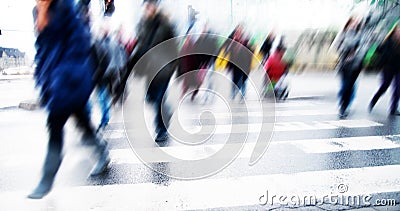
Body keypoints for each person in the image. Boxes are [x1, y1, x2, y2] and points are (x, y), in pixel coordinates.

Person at [28, 0, 109, 199]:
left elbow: (79, 42)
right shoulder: (37, 11)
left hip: (69, 78)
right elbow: (42, 47)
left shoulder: (65, 7)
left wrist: (62, 77)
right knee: (83, 122)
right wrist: (42, 78)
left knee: (55, 125)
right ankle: (102, 153)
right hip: (55, 81)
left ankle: (46, 180)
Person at [120, 0, 178, 142]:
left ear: (156, 7)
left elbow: (174, 46)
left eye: (150, 6)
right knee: (151, 98)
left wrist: (172, 66)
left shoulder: (165, 24)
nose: (147, 9)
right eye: (146, 6)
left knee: (158, 98)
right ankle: (167, 111)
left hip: (163, 68)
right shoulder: (142, 25)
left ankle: (161, 129)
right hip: (148, 70)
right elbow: (140, 46)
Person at [334, 17, 364, 118]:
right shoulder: (343, 34)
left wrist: (356, 54)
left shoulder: (360, 35)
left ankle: (346, 105)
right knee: (344, 86)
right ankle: (342, 106)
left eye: (356, 22)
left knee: (350, 86)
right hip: (344, 64)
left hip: (356, 64)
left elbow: (363, 48)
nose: (354, 24)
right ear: (348, 23)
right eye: (352, 22)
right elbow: (336, 46)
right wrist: (346, 50)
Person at [369, 21, 400, 115]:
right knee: (384, 86)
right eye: (398, 30)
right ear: (394, 31)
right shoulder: (388, 40)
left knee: (398, 88)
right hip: (388, 67)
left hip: (399, 68)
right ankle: (375, 98)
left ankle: (393, 109)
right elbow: (379, 51)